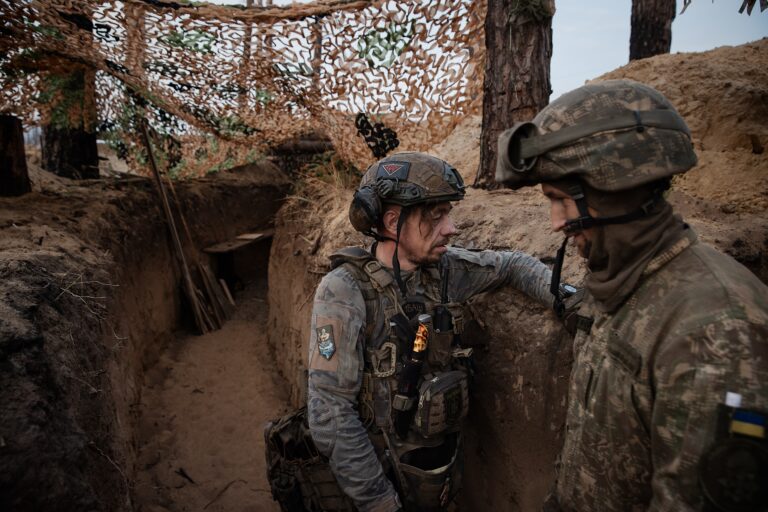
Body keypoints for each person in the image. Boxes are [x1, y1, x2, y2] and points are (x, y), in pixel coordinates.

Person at [495, 79, 768, 511]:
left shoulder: (717, 332)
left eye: (562, 200)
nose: (554, 222)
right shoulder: (623, 280)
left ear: (613, 190)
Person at [306, 152, 555, 511]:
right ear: (393, 222)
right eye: (436, 217)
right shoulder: (343, 291)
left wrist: (567, 298)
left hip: (440, 470)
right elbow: (329, 411)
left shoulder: (445, 271)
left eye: (448, 215)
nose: (451, 228)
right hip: (380, 472)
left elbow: (512, 265)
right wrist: (379, 501)